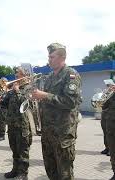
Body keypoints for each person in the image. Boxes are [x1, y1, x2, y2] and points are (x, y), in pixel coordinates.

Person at [31, 43, 82, 180]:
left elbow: (70, 102)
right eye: (49, 56)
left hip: (63, 133)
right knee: (51, 169)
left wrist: (44, 96)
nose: (49, 59)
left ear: (62, 57)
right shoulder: (50, 77)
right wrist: (38, 98)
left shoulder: (71, 75)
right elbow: (48, 100)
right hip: (48, 132)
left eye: (52, 56)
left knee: (64, 172)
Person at [0, 67, 32, 180]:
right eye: (16, 74)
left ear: (25, 75)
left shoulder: (29, 88)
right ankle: (15, 170)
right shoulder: (12, 89)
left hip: (22, 125)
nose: (16, 76)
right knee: (14, 149)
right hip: (12, 124)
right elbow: (5, 103)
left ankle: (23, 174)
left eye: (18, 74)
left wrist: (17, 91)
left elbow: (25, 103)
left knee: (23, 151)